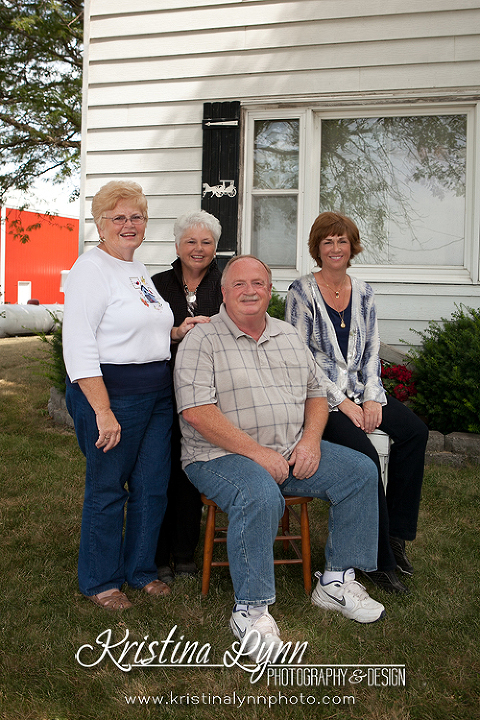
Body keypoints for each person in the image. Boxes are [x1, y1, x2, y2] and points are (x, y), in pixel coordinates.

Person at [174, 254, 386, 658]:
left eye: (258, 283)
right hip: (217, 457)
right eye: (239, 284)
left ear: (270, 291)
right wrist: (257, 454)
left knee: (360, 471)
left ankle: (336, 582)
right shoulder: (202, 340)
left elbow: (316, 396)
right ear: (223, 292)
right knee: (259, 494)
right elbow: (196, 412)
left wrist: (309, 442)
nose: (249, 291)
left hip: (290, 451)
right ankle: (250, 610)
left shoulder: (289, 335)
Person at [63, 181, 207, 611]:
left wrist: (177, 330)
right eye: (119, 217)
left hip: (157, 392)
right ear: (100, 223)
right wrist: (102, 410)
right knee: (108, 490)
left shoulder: (137, 268)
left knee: (152, 487)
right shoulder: (91, 269)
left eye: (137, 216)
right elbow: (79, 344)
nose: (129, 224)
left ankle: (140, 570)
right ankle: (100, 581)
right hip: (113, 395)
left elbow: (145, 325)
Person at [285, 211, 429, 595]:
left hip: (360, 390)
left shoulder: (364, 292)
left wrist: (369, 397)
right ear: (317, 247)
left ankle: (396, 537)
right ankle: (378, 562)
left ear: (352, 247)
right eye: (327, 241)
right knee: (364, 455)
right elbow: (301, 358)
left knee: (415, 433)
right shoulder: (301, 292)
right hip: (319, 399)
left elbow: (370, 352)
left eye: (342, 241)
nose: (335, 248)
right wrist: (342, 403)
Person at [151, 210, 223, 584]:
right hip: (162, 390)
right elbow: (141, 338)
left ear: (216, 247)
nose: (198, 249)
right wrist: (177, 333)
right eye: (191, 241)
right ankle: (157, 555)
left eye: (206, 242)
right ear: (178, 245)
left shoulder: (227, 283)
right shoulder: (157, 285)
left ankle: (185, 555)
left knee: (191, 471)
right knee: (160, 469)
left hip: (210, 394)